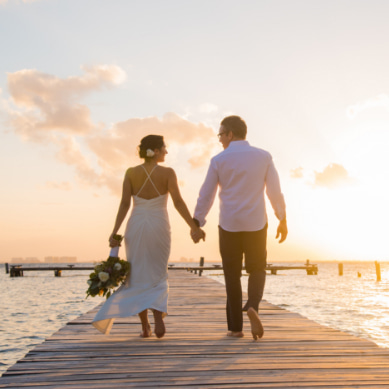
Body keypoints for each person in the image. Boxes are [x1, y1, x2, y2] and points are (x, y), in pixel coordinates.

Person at [92, 135, 205, 338]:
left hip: (135, 226)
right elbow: (178, 202)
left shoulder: (131, 173)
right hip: (159, 226)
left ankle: (145, 326)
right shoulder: (168, 173)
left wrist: (114, 231)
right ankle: (158, 316)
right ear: (156, 150)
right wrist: (193, 227)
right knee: (158, 273)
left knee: (136, 275)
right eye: (165, 148)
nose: (167, 152)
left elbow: (125, 204)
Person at [193, 116, 287, 340]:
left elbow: (206, 194)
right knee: (257, 268)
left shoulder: (218, 160)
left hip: (229, 224)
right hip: (256, 223)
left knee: (232, 275)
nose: (219, 140)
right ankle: (253, 305)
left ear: (230, 134)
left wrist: (197, 221)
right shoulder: (263, 156)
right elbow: (274, 191)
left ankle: (235, 328)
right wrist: (282, 218)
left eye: (220, 135)